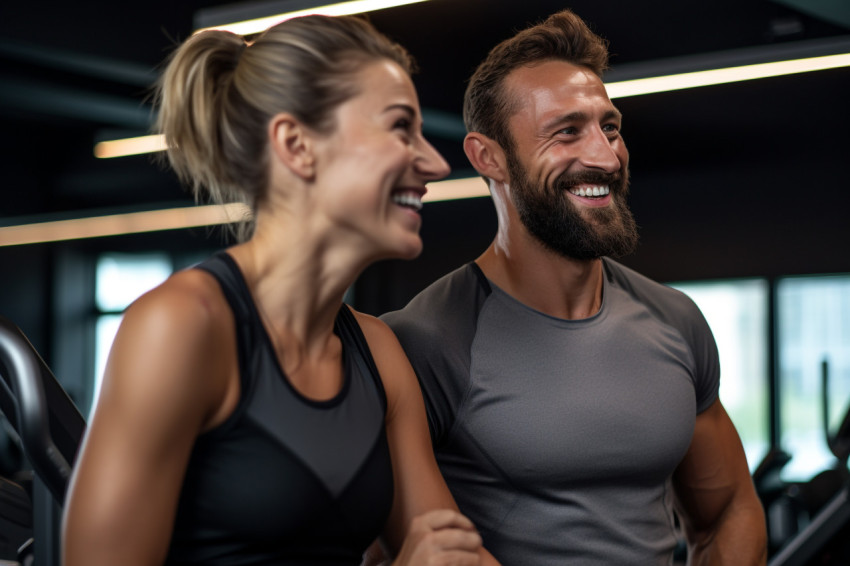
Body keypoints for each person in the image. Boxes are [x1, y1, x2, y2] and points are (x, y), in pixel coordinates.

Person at [61, 14, 499, 566]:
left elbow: (454, 556)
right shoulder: (183, 327)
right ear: (297, 145)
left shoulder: (378, 354)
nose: (434, 162)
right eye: (399, 128)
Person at [379, 9, 768, 566]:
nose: (606, 157)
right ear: (488, 157)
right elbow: (387, 549)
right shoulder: (424, 340)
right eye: (567, 132)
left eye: (609, 127)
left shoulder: (674, 320)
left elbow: (731, 507)